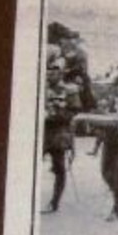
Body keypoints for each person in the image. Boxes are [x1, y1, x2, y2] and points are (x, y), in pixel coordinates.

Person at [40, 60, 77, 214]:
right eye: (49, 71)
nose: (51, 74)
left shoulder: (69, 91)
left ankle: (54, 202)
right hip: (42, 132)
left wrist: (56, 116)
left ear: (61, 73)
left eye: (55, 71)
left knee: (59, 169)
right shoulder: (41, 88)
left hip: (59, 133)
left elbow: (74, 112)